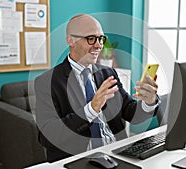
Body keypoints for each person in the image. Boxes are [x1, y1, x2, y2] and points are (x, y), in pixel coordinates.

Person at [34, 14, 160, 163]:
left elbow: (131, 113)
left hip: (117, 154)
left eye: (101, 38)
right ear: (71, 40)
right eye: (91, 38)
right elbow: (47, 137)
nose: (99, 45)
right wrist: (91, 110)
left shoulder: (108, 73)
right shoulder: (46, 82)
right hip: (79, 159)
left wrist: (149, 102)